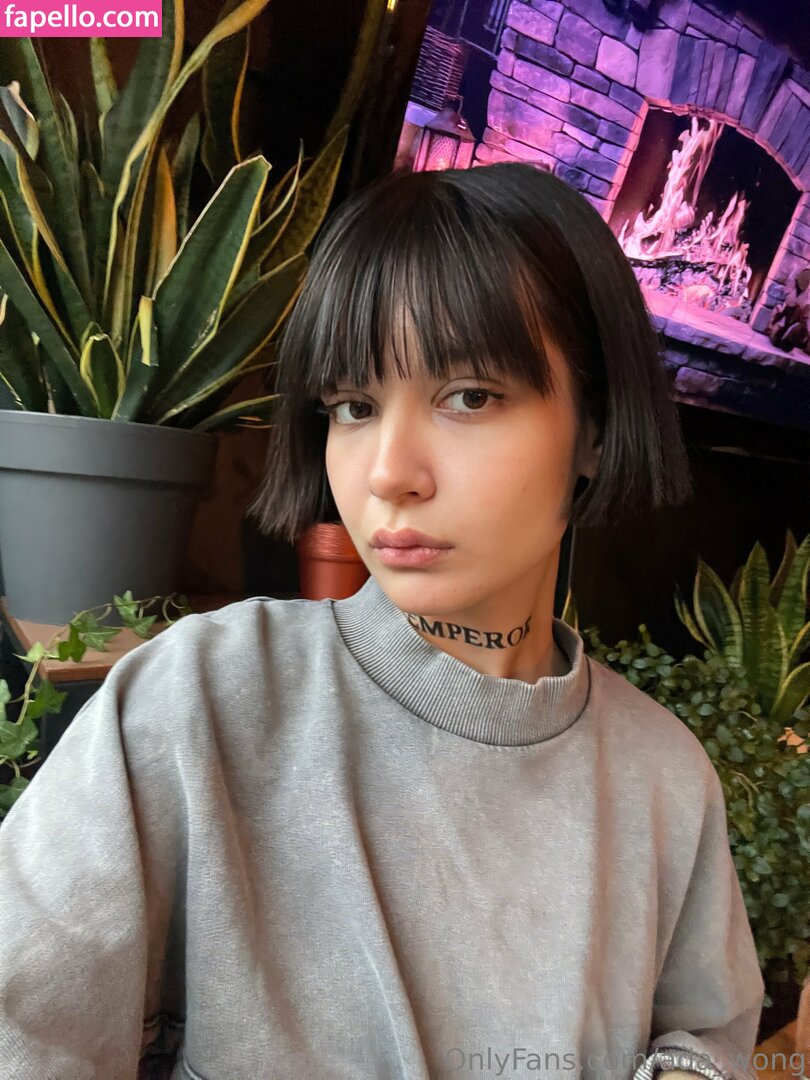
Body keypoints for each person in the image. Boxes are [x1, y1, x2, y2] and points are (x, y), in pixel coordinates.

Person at [0, 162, 764, 1080]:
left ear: (594, 429)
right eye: (353, 408)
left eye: (469, 395)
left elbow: (707, 1034)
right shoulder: (201, 699)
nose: (387, 472)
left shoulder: (665, 775)